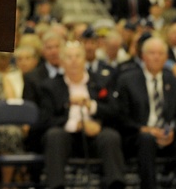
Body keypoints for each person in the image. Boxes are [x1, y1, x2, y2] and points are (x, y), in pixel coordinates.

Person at [38, 42, 126, 189]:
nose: (73, 60)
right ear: (61, 61)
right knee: (54, 135)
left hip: (96, 135)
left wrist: (93, 110)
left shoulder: (101, 81)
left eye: (77, 56)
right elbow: (45, 120)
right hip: (67, 137)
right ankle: (56, 186)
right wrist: (74, 125)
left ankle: (116, 184)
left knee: (110, 136)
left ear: (85, 59)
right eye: (68, 57)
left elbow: (116, 112)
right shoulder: (50, 87)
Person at [114, 35, 176, 189]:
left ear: (166, 57)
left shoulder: (175, 82)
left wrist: (172, 129)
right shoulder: (127, 80)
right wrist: (143, 129)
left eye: (160, 53)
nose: (156, 57)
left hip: (166, 133)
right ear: (143, 56)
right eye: (152, 53)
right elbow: (121, 116)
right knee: (147, 139)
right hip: (138, 135)